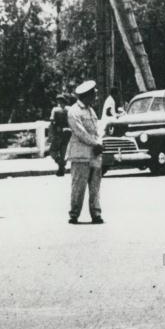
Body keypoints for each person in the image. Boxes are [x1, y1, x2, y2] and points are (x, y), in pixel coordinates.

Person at [66, 80, 104, 224]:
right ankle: (74, 214)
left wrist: (99, 142)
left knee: (95, 187)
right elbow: (80, 132)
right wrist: (95, 143)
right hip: (81, 154)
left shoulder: (91, 110)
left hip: (94, 154)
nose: (95, 96)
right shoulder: (74, 111)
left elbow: (97, 129)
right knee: (78, 187)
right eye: (94, 94)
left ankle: (96, 213)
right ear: (87, 95)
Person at [48, 93, 73, 176]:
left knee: (53, 151)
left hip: (58, 133)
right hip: (68, 133)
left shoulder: (55, 109)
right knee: (63, 152)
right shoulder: (69, 109)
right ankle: (61, 170)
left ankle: (60, 164)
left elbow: (52, 120)